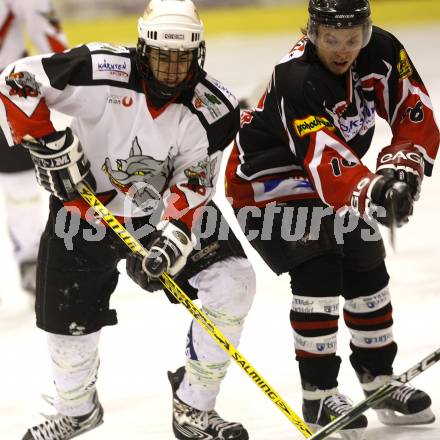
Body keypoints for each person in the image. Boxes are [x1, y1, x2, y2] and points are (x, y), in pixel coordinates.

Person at [0, 1, 255, 439]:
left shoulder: (215, 109)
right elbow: (16, 79)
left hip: (160, 210)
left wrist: (172, 242)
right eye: (162, 56)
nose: (173, 69)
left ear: (199, 54)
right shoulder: (99, 69)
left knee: (234, 281)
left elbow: (194, 186)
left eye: (183, 58)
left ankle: (194, 406)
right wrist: (46, 142)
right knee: (66, 322)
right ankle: (77, 410)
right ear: (142, 49)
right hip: (81, 209)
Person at [225, 0, 439, 439]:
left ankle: (378, 381)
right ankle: (319, 395)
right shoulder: (295, 78)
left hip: (328, 178)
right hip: (266, 184)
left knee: (366, 261)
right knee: (318, 261)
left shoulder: (381, 51)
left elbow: (413, 110)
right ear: (312, 32)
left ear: (366, 30)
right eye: (331, 39)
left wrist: (402, 166)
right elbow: (324, 157)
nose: (343, 49)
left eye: (352, 38)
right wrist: (374, 189)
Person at [0, 0, 68, 294]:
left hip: (7, 84)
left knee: (21, 185)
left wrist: (66, 72)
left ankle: (30, 259)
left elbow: (41, 17)